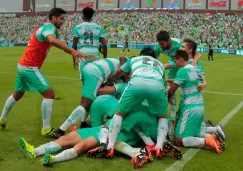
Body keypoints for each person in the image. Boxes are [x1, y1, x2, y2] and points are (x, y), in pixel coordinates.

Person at [0, 8, 85, 136]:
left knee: (18, 93)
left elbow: (61, 43)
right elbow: (52, 40)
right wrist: (73, 52)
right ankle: (46, 129)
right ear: (54, 17)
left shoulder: (53, 30)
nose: (63, 22)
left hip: (22, 65)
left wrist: (72, 53)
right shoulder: (49, 27)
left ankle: (2, 119)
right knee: (49, 94)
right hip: (30, 67)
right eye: (61, 19)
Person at [96, 47, 168, 159]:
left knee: (119, 113)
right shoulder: (159, 64)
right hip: (157, 85)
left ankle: (110, 148)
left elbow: (120, 71)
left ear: (141, 53)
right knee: (163, 116)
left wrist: (111, 79)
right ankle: (159, 147)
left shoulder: (136, 59)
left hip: (137, 82)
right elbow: (163, 83)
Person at [52, 57, 128, 139]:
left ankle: (83, 124)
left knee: (89, 101)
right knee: (85, 104)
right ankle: (60, 131)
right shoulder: (128, 63)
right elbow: (123, 59)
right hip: (96, 72)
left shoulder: (120, 72)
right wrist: (110, 80)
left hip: (91, 69)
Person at [167, 50, 225, 154]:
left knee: (178, 140)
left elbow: (171, 91)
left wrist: (163, 101)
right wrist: (170, 80)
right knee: (195, 131)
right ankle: (214, 137)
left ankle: (207, 140)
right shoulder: (195, 69)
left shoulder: (182, 71)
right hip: (199, 107)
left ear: (180, 59)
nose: (175, 64)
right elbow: (190, 81)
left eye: (176, 61)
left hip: (190, 108)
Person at [72, 7, 107, 72]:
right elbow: (104, 44)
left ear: (83, 15)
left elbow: (74, 46)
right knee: (95, 76)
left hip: (83, 54)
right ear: (92, 16)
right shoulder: (99, 28)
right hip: (95, 54)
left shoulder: (77, 28)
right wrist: (105, 58)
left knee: (84, 78)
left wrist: (74, 60)